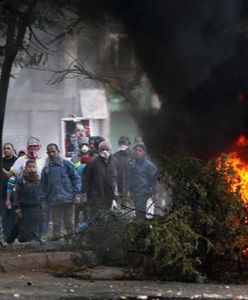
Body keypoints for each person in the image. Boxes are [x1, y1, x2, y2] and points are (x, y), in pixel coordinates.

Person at [40, 143, 81, 241]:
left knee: (70, 222)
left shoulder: (67, 165)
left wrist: (76, 195)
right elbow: (43, 186)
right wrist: (43, 200)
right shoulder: (46, 169)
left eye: (53, 151)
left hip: (68, 198)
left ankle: (70, 240)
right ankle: (57, 241)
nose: (52, 154)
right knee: (56, 223)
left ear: (58, 151)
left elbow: (76, 179)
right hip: (54, 199)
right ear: (47, 153)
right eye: (49, 152)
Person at [82, 140, 118, 223]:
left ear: (110, 150)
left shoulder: (114, 161)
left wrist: (116, 190)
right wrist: (84, 194)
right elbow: (86, 179)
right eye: (102, 149)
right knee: (95, 218)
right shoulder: (92, 162)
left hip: (109, 195)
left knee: (108, 217)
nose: (105, 151)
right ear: (98, 150)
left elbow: (115, 178)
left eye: (107, 149)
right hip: (96, 195)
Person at [7, 160, 41, 243]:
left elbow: (42, 193)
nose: (31, 169)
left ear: (36, 168)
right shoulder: (21, 180)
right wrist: (17, 207)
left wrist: (43, 204)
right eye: (29, 167)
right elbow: (17, 194)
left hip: (35, 206)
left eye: (33, 167)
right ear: (26, 168)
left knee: (35, 223)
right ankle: (9, 241)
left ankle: (35, 239)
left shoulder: (38, 179)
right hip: (24, 206)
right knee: (19, 223)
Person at [128, 142, 158, 219]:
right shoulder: (133, 164)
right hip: (135, 192)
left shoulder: (149, 165)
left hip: (144, 193)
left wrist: (154, 192)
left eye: (139, 150)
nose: (137, 152)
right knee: (136, 213)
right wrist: (129, 191)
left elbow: (154, 179)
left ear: (144, 153)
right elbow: (131, 179)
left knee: (141, 213)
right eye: (136, 150)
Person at [71, 142, 93, 227]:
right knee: (77, 209)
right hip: (78, 188)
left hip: (88, 188)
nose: (84, 148)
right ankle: (76, 226)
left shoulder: (93, 159)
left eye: (86, 146)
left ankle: (85, 226)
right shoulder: (75, 159)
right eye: (82, 146)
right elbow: (72, 172)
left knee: (86, 210)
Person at [1, 143, 17, 245]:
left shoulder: (17, 161)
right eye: (4, 148)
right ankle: (6, 238)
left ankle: (14, 238)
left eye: (8, 148)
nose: (6, 150)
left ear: (12, 150)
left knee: (14, 217)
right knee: (5, 217)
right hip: (2, 194)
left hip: (15, 194)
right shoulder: (1, 162)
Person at [113, 136, 134, 208]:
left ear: (129, 144)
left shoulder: (133, 155)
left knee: (131, 209)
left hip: (131, 188)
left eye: (124, 142)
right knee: (120, 209)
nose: (122, 144)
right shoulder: (115, 156)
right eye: (121, 142)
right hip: (119, 187)